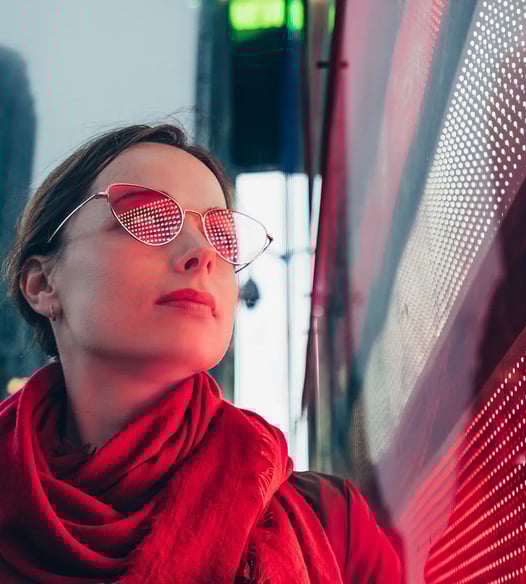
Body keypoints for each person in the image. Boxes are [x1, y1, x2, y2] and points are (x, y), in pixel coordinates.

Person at [0, 123, 401, 583]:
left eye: (223, 237)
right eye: (147, 219)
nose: (202, 253)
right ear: (42, 284)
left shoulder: (335, 526)